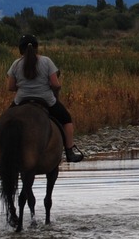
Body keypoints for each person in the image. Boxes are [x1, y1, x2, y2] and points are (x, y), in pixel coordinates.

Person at [6, 34, 83, 163]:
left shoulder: (16, 64)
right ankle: (69, 151)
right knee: (66, 119)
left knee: (6, 121)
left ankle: (5, 152)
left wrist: (23, 86)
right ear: (36, 48)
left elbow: (10, 87)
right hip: (46, 100)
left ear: (21, 49)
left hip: (21, 100)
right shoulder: (46, 61)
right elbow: (55, 84)